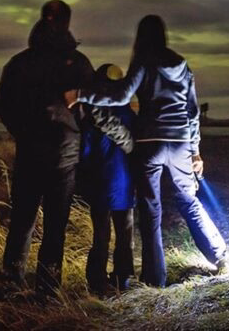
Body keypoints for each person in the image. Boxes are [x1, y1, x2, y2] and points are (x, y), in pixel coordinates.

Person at [66, 14, 227, 287]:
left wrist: (81, 94)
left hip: (149, 143)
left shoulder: (143, 60)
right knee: (188, 199)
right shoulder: (182, 64)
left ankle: (155, 280)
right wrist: (195, 151)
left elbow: (121, 97)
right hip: (179, 144)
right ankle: (219, 254)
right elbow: (192, 112)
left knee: (151, 210)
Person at [0, 0, 94, 294]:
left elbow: (1, 104)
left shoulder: (20, 62)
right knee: (55, 224)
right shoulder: (79, 63)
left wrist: (21, 131)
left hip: (30, 150)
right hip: (64, 152)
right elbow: (94, 105)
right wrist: (78, 130)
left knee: (23, 219)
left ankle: (11, 280)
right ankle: (48, 290)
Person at [77, 64, 137, 294]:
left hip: (101, 182)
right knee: (125, 233)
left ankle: (97, 281)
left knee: (101, 235)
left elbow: (86, 152)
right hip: (126, 184)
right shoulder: (130, 114)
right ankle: (125, 278)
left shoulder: (92, 115)